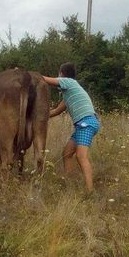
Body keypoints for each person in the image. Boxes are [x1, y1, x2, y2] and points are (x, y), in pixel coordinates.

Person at [42, 62, 101, 194]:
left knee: (81, 156)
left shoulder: (69, 82)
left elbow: (44, 79)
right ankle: (71, 185)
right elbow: (56, 111)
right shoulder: (68, 94)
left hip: (86, 122)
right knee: (67, 154)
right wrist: (39, 116)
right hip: (82, 125)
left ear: (62, 74)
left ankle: (90, 191)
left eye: (59, 74)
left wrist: (27, 75)